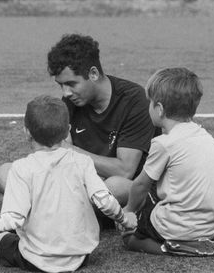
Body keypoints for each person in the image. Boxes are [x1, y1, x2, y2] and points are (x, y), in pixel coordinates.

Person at [0, 96, 137, 273]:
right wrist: (125, 219)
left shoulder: (22, 168)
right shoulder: (82, 161)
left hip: (34, 259)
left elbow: (13, 219)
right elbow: (104, 200)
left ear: (26, 132)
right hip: (81, 257)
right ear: (67, 131)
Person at [121, 68, 214, 256]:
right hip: (213, 224)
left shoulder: (163, 143)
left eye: (150, 102)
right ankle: (205, 238)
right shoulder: (207, 137)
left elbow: (140, 185)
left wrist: (128, 210)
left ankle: (169, 247)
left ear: (160, 109)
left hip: (177, 228)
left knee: (129, 236)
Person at [43, 33, 156, 206]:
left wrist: (68, 149)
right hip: (86, 185)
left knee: (115, 186)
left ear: (93, 74)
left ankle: (55, 212)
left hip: (122, 192)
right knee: (6, 174)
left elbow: (124, 170)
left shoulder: (134, 101)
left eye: (72, 84)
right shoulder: (69, 103)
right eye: (61, 85)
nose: (65, 93)